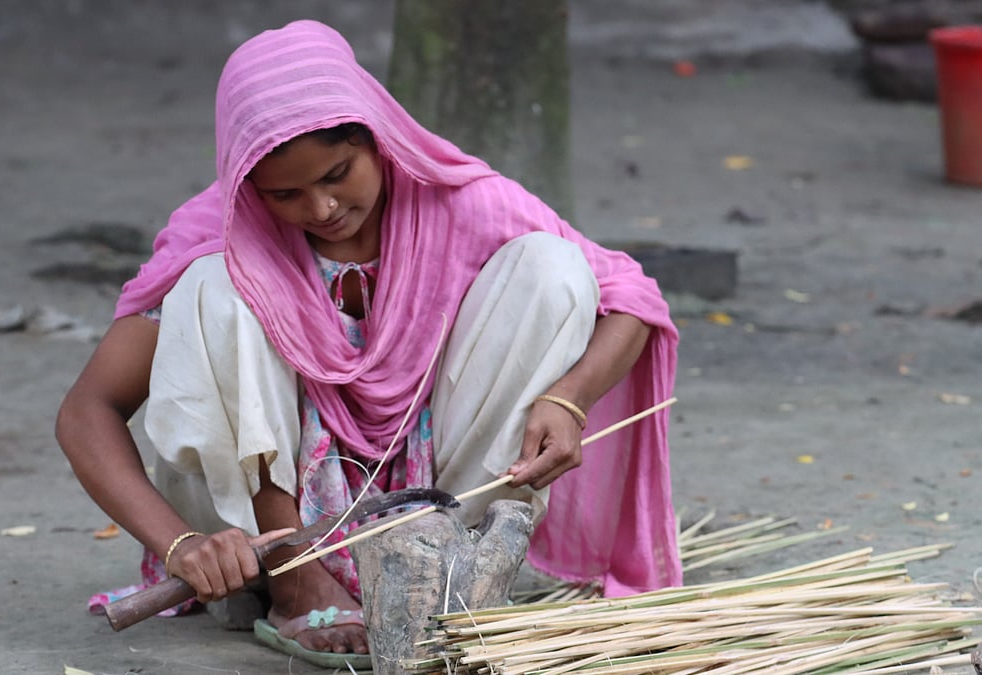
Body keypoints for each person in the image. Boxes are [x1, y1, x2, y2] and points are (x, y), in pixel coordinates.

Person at [57, 19, 682, 668]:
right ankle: (296, 580)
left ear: (377, 138)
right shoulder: (221, 228)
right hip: (251, 539)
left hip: (436, 502)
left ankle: (448, 567)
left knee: (553, 269)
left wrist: (569, 399)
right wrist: (182, 544)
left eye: (338, 173)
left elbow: (631, 301)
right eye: (286, 194)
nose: (323, 208)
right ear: (247, 182)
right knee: (217, 281)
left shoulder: (458, 202)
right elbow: (86, 410)